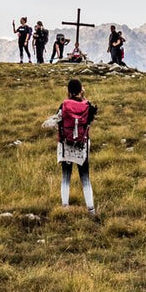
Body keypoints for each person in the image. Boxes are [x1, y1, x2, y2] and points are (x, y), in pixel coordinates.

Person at [57, 78, 98, 215]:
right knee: (85, 177)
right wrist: (84, 96)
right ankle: (91, 209)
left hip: (66, 145)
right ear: (81, 90)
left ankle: (65, 206)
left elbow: (58, 120)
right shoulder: (88, 107)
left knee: (66, 176)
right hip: (82, 146)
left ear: (68, 92)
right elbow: (91, 117)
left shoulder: (63, 105)